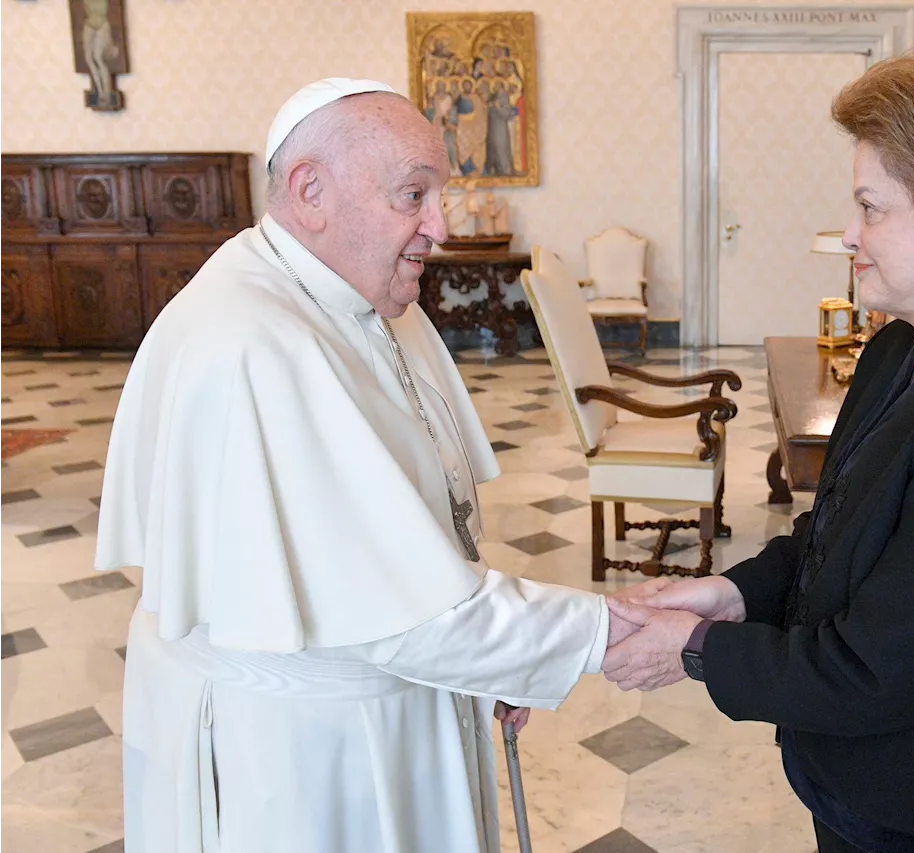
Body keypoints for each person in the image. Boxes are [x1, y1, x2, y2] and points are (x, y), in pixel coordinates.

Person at [96, 78, 635, 853]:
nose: (439, 227)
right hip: (308, 753)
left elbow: (412, 540)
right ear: (311, 191)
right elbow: (406, 619)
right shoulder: (252, 342)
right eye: (413, 195)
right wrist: (601, 635)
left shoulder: (368, 298)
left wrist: (495, 663)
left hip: (392, 700)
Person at [605, 47, 914, 853]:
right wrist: (732, 595)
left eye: (871, 207)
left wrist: (700, 650)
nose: (849, 233)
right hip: (869, 790)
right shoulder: (899, 350)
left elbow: (882, 667)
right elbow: (843, 537)